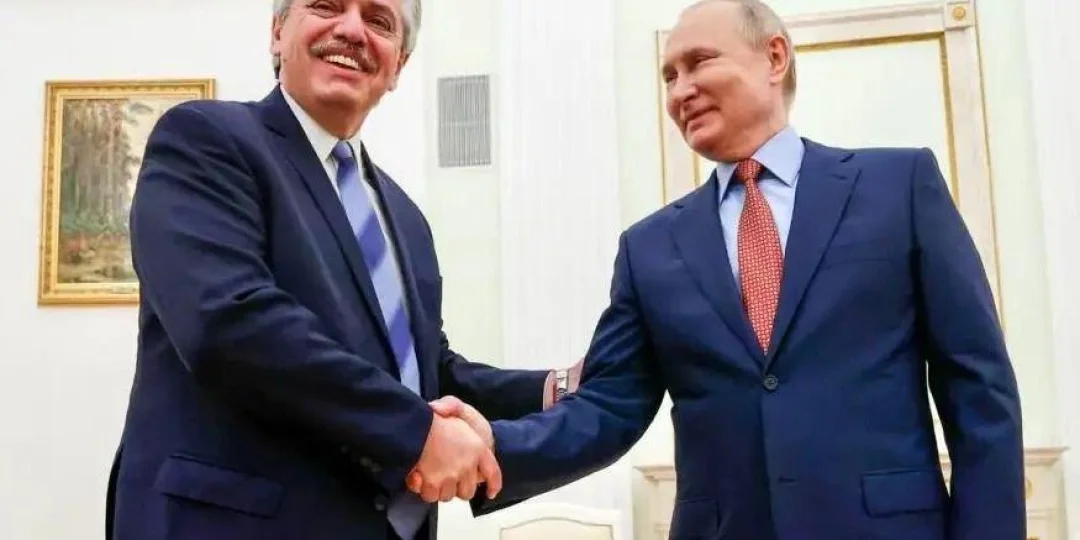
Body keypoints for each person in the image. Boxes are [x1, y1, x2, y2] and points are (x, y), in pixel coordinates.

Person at [423, 0, 1026, 538]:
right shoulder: (648, 247)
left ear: (774, 57)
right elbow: (607, 406)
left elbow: (979, 388)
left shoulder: (899, 187)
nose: (680, 90)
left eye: (699, 62)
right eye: (669, 76)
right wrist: (495, 443)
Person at [104, 1, 581, 539]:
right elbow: (229, 322)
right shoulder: (206, 139)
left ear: (398, 64)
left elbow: (425, 373)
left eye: (378, 20)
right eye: (327, 6)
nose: (352, 30)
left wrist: (554, 389)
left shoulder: (405, 217)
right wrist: (419, 434)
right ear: (278, 32)